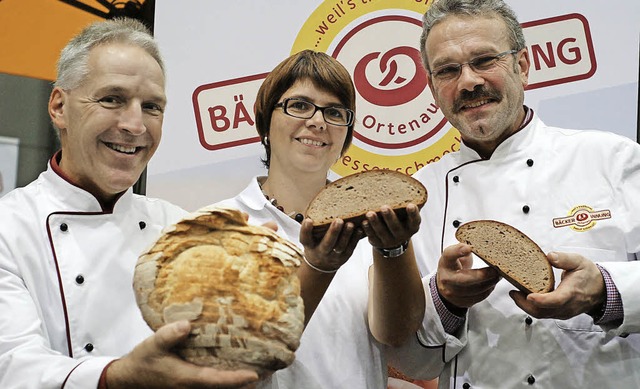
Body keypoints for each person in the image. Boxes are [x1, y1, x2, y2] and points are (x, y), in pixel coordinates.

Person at [379, 0, 640, 388]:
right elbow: (414, 365)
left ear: (522, 66)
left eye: (484, 60)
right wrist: (445, 299)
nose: (468, 82)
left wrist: (604, 290)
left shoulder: (612, 159)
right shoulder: (417, 199)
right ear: (433, 88)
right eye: (448, 70)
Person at [0, 18, 260, 388]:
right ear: (59, 106)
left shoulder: (181, 228)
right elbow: (13, 366)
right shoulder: (9, 229)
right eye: (112, 99)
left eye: (152, 107)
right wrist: (119, 376)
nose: (136, 125)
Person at [214, 49, 426, 388]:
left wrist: (393, 249)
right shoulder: (220, 224)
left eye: (334, 112)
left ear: (346, 135)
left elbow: (395, 334)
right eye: (299, 105)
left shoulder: (371, 225)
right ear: (265, 120)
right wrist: (320, 266)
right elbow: (232, 359)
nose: (317, 121)